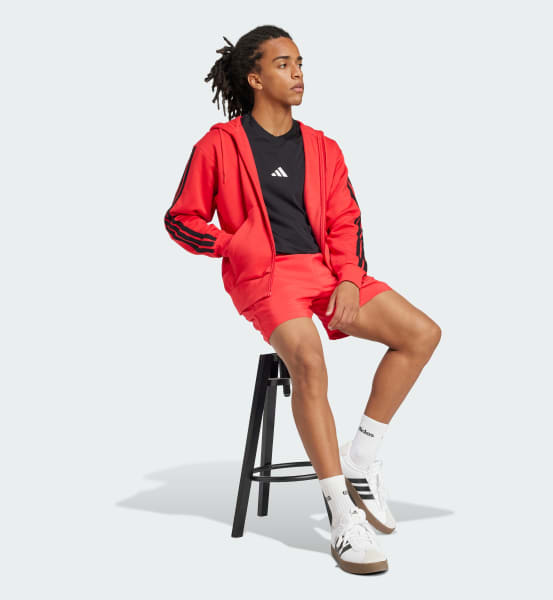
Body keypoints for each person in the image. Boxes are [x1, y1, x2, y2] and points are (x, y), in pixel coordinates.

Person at [164, 25, 442, 575]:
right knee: (309, 362)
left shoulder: (322, 146)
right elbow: (181, 218)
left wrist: (349, 279)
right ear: (254, 78)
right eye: (283, 64)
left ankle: (361, 457)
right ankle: (341, 513)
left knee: (421, 334)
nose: (297, 75)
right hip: (266, 278)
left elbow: (345, 219)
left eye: (299, 64)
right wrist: (231, 244)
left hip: (327, 272)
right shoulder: (219, 145)